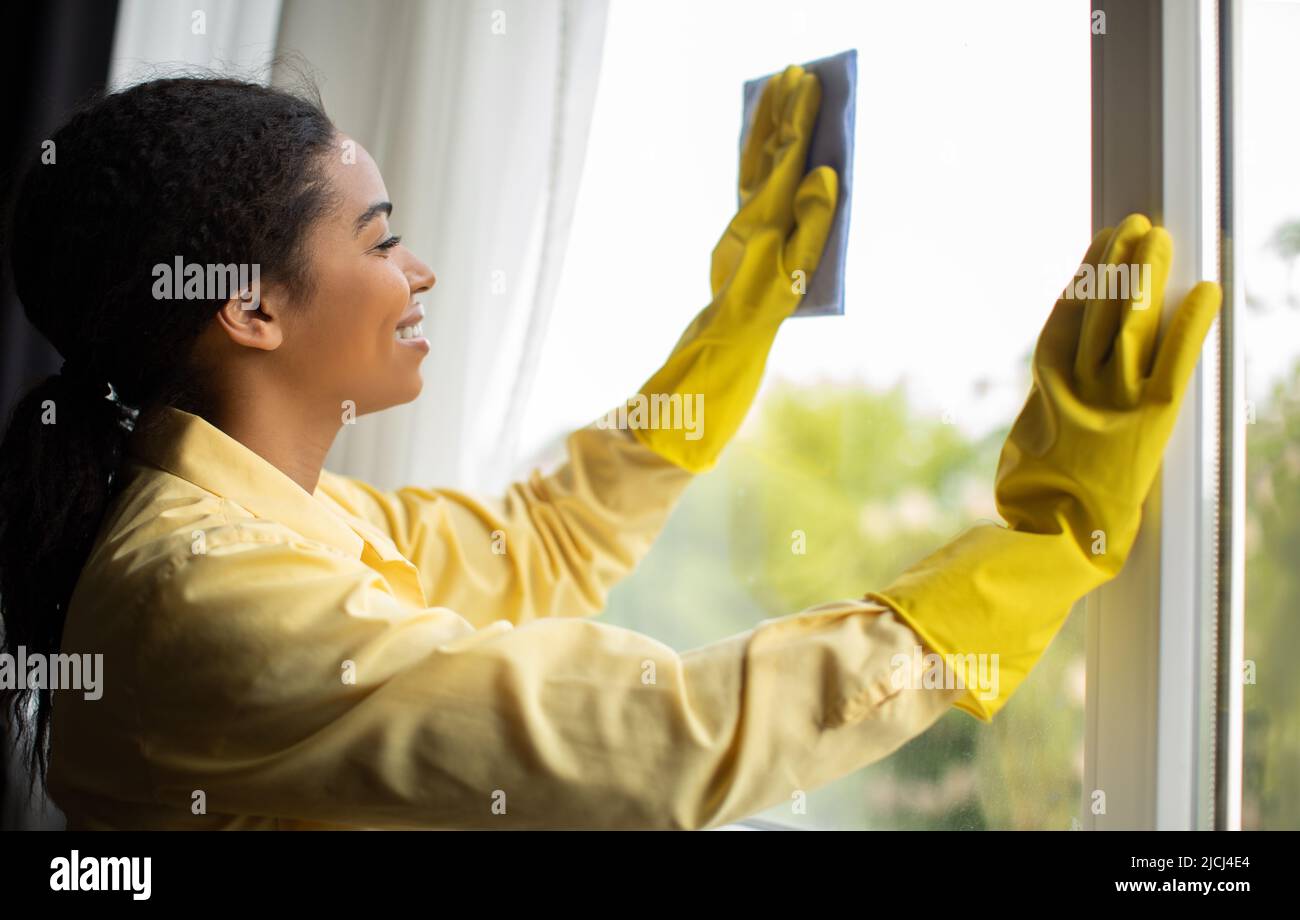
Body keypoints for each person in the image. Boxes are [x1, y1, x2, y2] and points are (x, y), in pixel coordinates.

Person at [0, 67, 1220, 830]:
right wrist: (1035, 551)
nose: (417, 269)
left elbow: (548, 538)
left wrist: (734, 326)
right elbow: (656, 743)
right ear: (250, 308)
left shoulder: (296, 525)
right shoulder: (201, 589)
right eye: (379, 240)